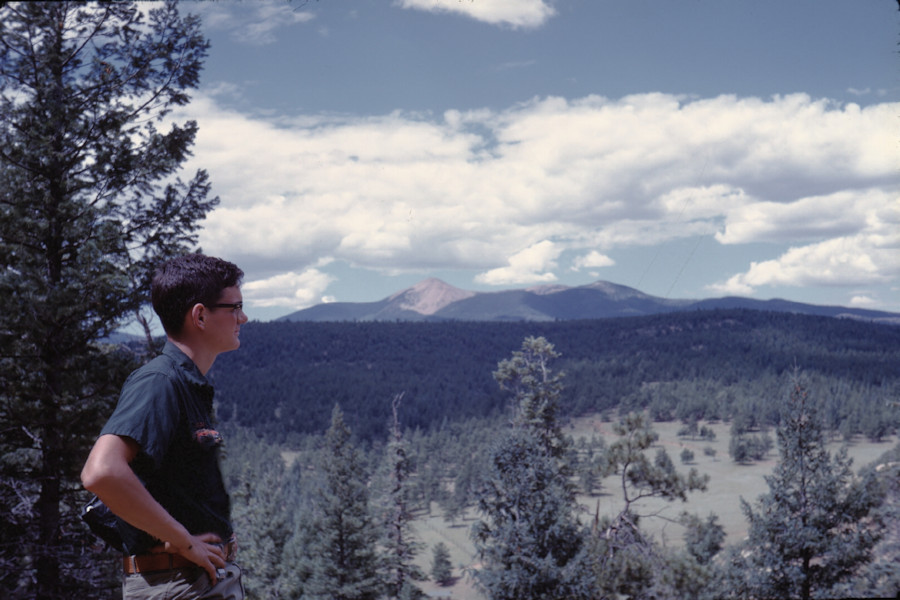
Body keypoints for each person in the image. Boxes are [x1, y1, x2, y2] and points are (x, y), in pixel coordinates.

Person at [81, 254, 248, 599]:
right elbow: (101, 472)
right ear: (200, 315)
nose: (243, 318)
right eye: (234, 307)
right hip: (179, 583)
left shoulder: (183, 383)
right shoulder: (160, 382)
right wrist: (185, 542)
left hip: (191, 580)